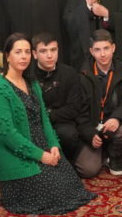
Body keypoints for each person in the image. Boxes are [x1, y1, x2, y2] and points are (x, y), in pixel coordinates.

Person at [0, 33, 97, 214]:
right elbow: (7, 134)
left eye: (27, 52)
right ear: (7, 56)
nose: (23, 56)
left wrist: (53, 145)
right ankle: (2, 187)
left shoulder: (32, 83)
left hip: (41, 146)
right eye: (18, 52)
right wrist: (40, 156)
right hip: (15, 154)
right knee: (56, 193)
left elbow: (44, 118)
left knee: (72, 186)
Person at [30, 33, 97, 178]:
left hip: (62, 124)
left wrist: (47, 114)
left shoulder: (69, 73)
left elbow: (73, 108)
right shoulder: (28, 75)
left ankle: (66, 164)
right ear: (34, 54)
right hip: (35, 123)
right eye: (43, 51)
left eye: (53, 50)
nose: (49, 55)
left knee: (69, 134)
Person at [78, 29, 122, 177]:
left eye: (106, 48)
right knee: (88, 170)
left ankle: (114, 155)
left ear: (113, 48)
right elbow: (78, 112)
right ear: (91, 51)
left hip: (113, 125)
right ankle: (100, 152)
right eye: (97, 50)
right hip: (92, 127)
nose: (102, 54)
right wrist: (89, 134)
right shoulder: (82, 74)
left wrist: (117, 118)